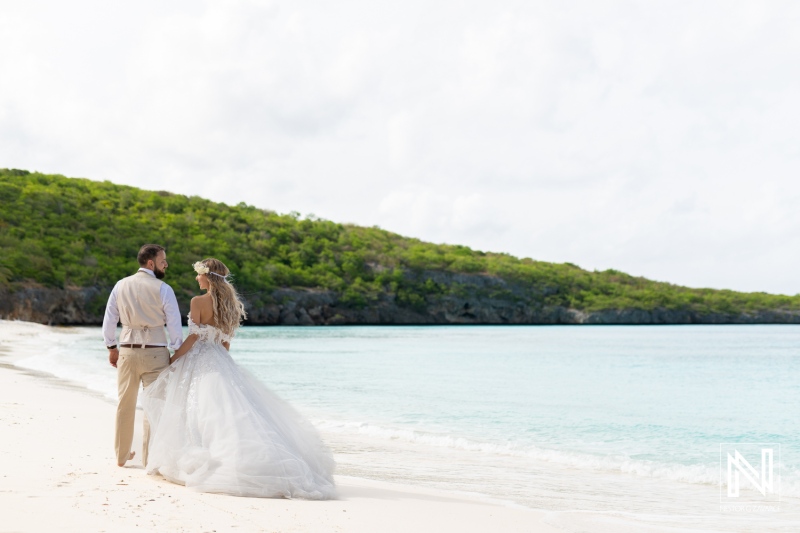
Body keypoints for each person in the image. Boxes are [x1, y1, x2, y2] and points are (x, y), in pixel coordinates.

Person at [141, 258, 336, 499]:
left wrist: (173, 359)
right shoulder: (230, 305)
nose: (196, 278)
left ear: (208, 277)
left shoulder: (197, 301)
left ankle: (206, 457)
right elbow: (225, 342)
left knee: (198, 411)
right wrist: (223, 364)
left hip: (200, 359)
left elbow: (192, 338)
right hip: (220, 358)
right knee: (229, 412)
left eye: (198, 274)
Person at [102, 244, 184, 467]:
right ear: (151, 263)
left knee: (124, 404)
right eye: (162, 260)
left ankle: (121, 456)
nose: (165, 264)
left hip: (127, 350)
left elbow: (109, 319)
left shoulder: (120, 285)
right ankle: (150, 460)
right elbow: (174, 323)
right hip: (156, 353)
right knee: (154, 405)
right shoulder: (163, 288)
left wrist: (111, 347)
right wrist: (178, 349)